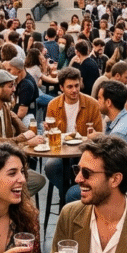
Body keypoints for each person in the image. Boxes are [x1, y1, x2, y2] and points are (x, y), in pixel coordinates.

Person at [43, 67, 104, 197]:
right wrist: (47, 130)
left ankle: (72, 195)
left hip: (85, 152)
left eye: (77, 85)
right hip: (62, 151)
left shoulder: (92, 104)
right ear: (61, 88)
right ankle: (69, 193)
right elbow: (50, 135)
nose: (74, 90)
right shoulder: (53, 105)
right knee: (50, 167)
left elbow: (99, 134)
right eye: (69, 87)